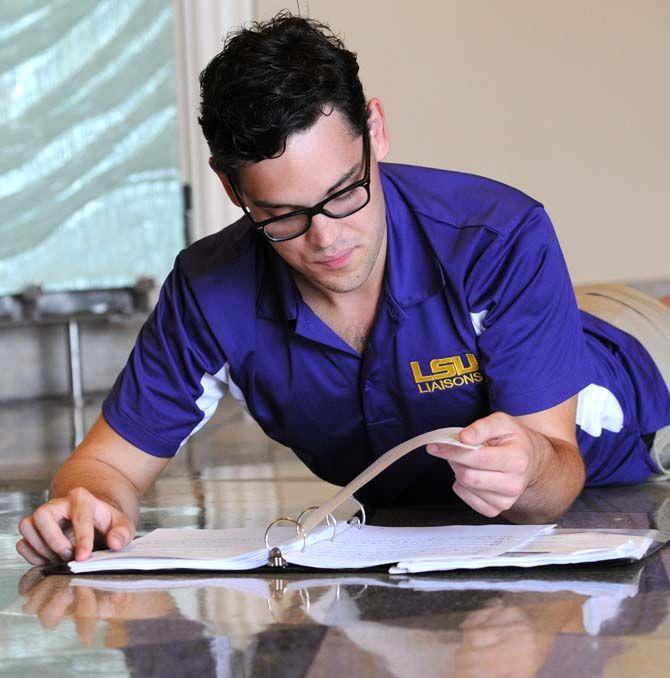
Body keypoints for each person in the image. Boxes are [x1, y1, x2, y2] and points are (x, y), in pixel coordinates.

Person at [16, 13, 670, 566]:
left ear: (376, 132)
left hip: (641, 371)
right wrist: (83, 511)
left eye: (344, 193)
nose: (327, 240)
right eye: (283, 216)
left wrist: (528, 470)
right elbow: (107, 469)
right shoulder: (210, 290)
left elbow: (554, 482)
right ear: (230, 189)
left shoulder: (496, 232)